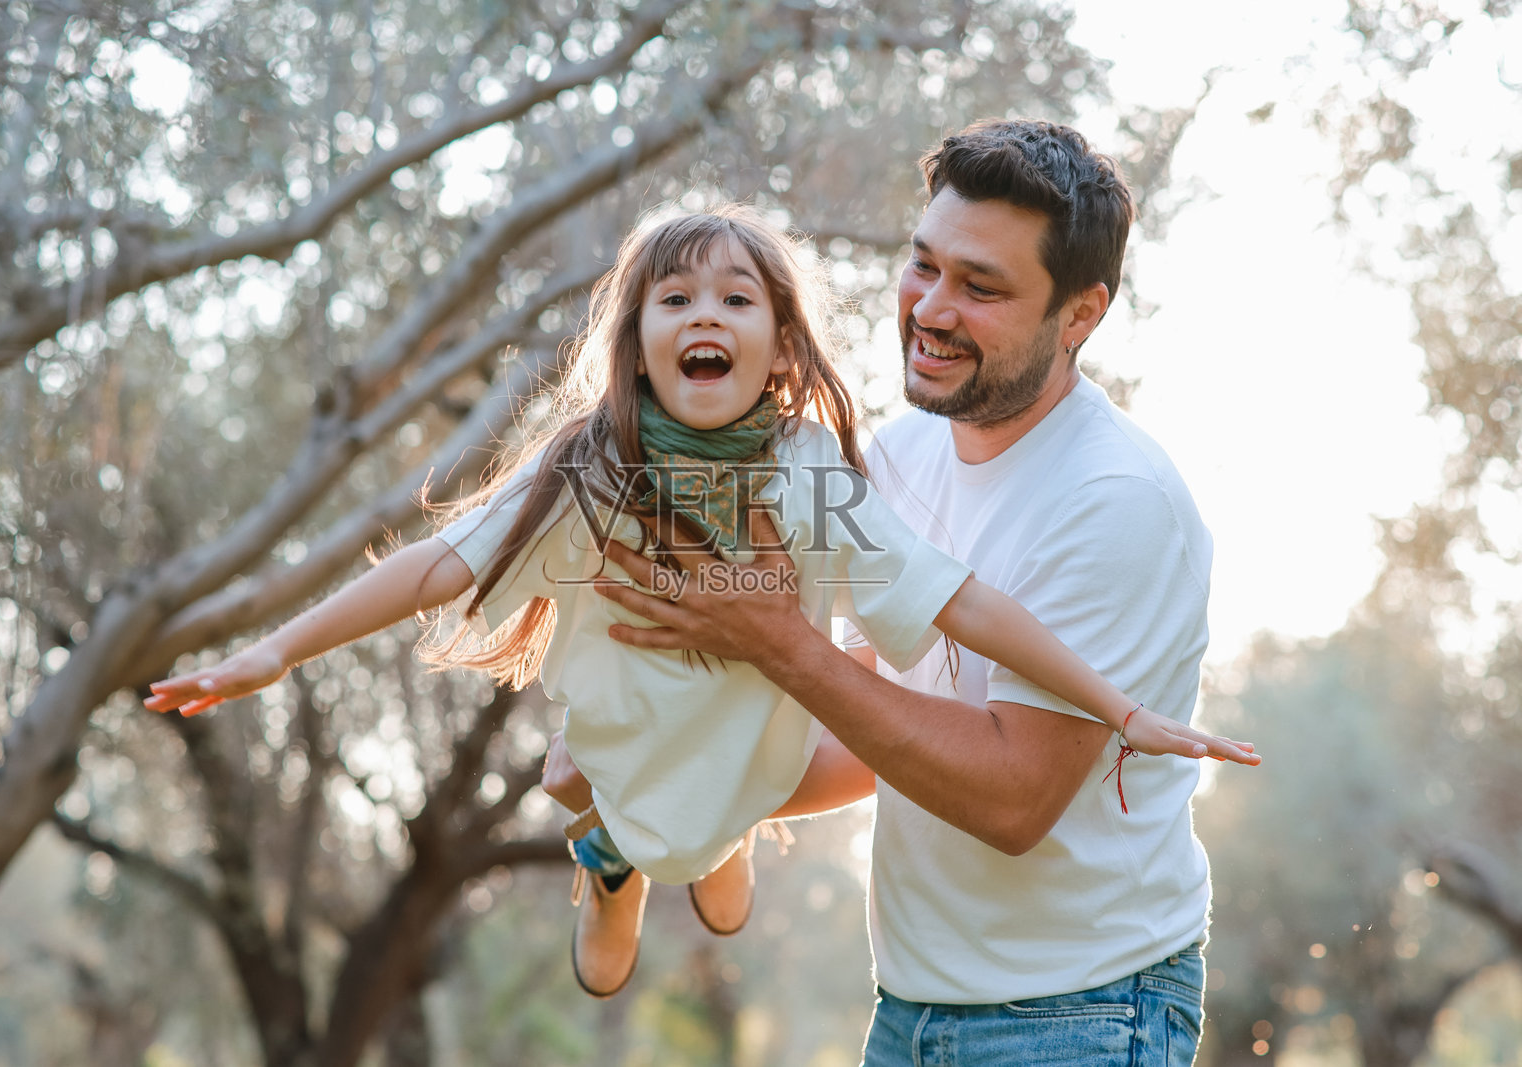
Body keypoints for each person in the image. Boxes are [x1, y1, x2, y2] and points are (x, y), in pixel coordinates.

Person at [145, 203, 1254, 1006]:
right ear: (632, 339)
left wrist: (1117, 707)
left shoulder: (815, 473)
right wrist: (277, 649)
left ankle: (718, 834)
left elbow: (958, 604)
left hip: (788, 789)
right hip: (629, 762)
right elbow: (442, 564)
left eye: (735, 298)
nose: (702, 315)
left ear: (779, 345)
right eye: (672, 298)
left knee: (720, 815)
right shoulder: (588, 465)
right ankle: (612, 863)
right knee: (590, 786)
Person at [585, 121, 1236, 1062]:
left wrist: (782, 648)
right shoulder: (901, 453)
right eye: (923, 265)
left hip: (1081, 1016)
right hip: (912, 1010)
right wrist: (674, 781)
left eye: (980, 287)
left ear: (1081, 314)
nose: (930, 308)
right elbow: (887, 723)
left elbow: (1014, 797)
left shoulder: (1115, 503)